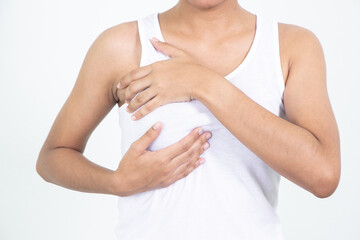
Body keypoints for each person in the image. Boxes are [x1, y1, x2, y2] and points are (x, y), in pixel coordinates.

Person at [36, 0, 341, 239]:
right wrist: (118, 182)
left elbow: (323, 175)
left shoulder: (291, 46)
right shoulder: (122, 46)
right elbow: (53, 157)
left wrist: (202, 82)